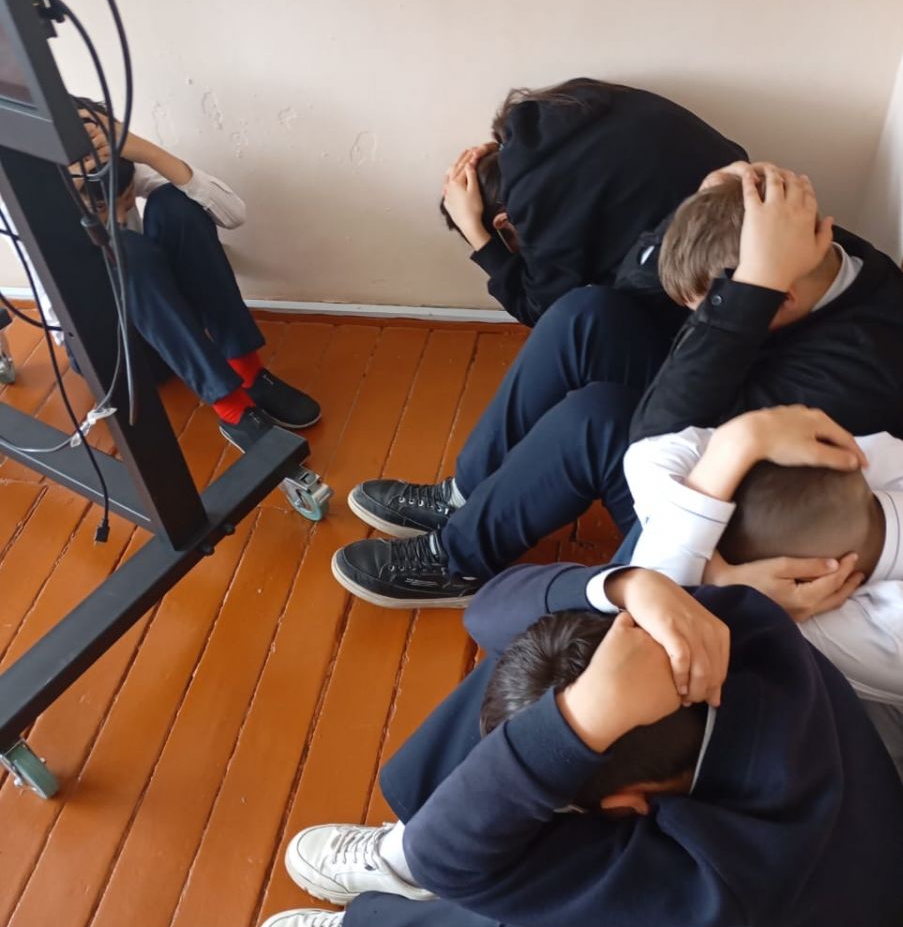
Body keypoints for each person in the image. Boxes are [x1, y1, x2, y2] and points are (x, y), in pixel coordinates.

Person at [253, 568, 903, 927]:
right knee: (542, 674)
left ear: (628, 804)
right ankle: (400, 859)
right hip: (804, 884)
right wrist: (630, 585)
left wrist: (578, 727)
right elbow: (487, 612)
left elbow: (447, 862)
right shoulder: (734, 627)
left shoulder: (743, 869)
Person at [332, 163, 903, 608]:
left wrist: (745, 296)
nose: (702, 315)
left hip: (733, 523)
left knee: (598, 419)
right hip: (721, 419)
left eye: (718, 306)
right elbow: (632, 285)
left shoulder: (860, 366)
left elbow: (662, 434)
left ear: (777, 295)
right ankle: (466, 496)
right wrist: (697, 204)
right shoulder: (797, 242)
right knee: (590, 313)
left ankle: (457, 561)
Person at [622, 404, 903, 779]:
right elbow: (644, 457)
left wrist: (725, 583)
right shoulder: (876, 459)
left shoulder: (887, 634)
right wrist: (742, 443)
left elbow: (673, 614)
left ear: (804, 580)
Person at [39, 98, 320, 452]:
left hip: (173, 329)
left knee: (177, 204)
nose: (121, 216)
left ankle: (249, 372)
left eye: (126, 201)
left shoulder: (120, 168)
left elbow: (234, 215)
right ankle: (232, 409)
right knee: (123, 250)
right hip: (120, 355)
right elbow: (64, 318)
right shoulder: (29, 207)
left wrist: (148, 152)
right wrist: (74, 207)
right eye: (102, 206)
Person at [440, 78, 746, 326]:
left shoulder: (539, 205)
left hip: (724, 268)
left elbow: (540, 308)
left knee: (597, 311)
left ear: (502, 222)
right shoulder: (554, 109)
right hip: (744, 188)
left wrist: (478, 237)